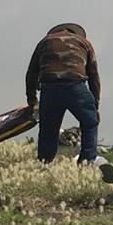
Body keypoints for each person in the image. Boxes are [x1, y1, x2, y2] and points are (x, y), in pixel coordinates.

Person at [26, 21, 100, 164]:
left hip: (49, 89)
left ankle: (44, 163)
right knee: (90, 123)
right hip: (76, 87)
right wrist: (95, 105)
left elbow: (31, 75)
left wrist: (32, 102)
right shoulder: (84, 42)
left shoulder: (44, 42)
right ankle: (86, 163)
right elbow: (94, 76)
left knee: (48, 129)